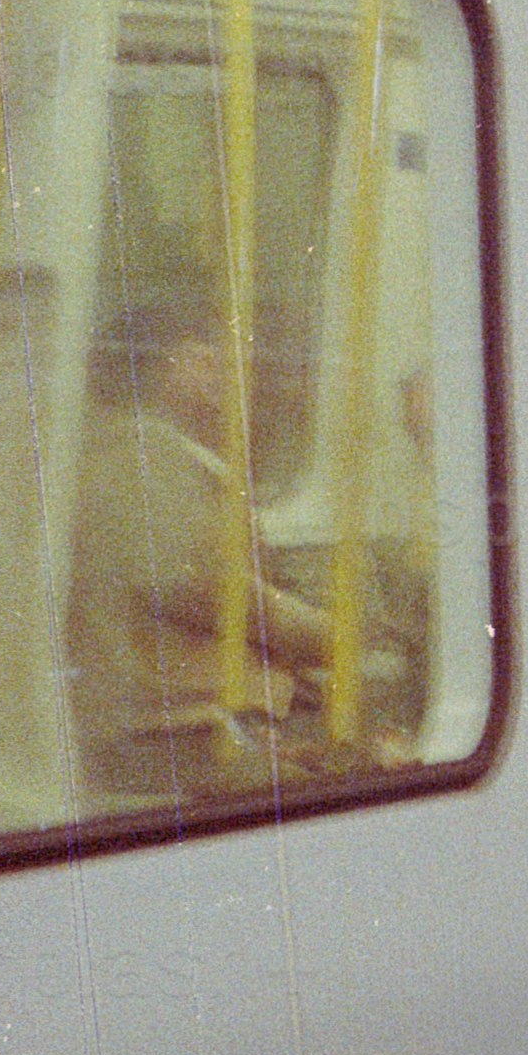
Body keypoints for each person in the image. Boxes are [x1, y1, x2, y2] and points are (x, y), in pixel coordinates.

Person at [63, 311, 325, 811]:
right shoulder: (135, 456)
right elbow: (202, 587)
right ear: (163, 368)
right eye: (200, 356)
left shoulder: (169, 455)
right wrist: (329, 635)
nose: (222, 369)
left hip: (199, 721)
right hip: (162, 731)